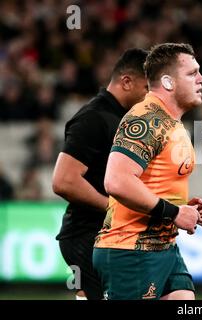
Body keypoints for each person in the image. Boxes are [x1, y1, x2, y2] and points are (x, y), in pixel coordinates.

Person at [92, 43, 202, 300]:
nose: (201, 79)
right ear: (168, 82)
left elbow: (153, 182)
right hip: (131, 250)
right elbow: (117, 181)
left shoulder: (171, 122)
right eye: (192, 73)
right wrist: (175, 212)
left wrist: (184, 207)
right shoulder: (146, 119)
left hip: (164, 247)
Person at [52, 48, 149, 300]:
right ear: (126, 81)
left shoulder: (123, 118)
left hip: (108, 237)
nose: (151, 96)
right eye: (147, 88)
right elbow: (64, 181)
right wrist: (114, 208)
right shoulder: (93, 118)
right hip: (86, 237)